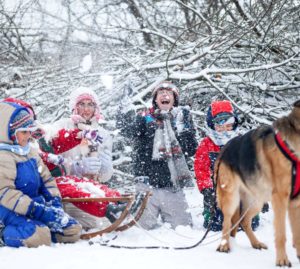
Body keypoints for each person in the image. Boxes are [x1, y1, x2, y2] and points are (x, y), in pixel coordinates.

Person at [3, 95, 141, 230]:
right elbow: (40, 156)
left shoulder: (37, 136)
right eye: (82, 104)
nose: (86, 109)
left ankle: (117, 200)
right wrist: (59, 160)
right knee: (71, 188)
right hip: (41, 187)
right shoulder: (13, 149)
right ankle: (108, 209)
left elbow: (57, 140)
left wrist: (79, 135)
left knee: (82, 183)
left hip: (51, 180)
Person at [117, 81, 198, 230]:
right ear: (155, 99)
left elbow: (191, 149)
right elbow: (126, 129)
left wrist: (184, 129)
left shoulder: (180, 119)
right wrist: (124, 107)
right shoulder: (145, 118)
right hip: (146, 185)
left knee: (184, 229)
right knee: (138, 231)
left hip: (172, 185)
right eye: (161, 92)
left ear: (175, 99)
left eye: (169, 93)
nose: (165, 95)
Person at [0, 101, 81, 247]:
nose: (29, 136)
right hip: (10, 212)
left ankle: (44, 230)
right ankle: (4, 234)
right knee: (39, 236)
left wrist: (54, 203)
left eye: (30, 131)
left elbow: (47, 179)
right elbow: (5, 192)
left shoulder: (29, 151)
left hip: (36, 206)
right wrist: (37, 210)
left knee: (72, 230)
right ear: (11, 134)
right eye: (24, 131)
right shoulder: (4, 156)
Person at [194, 100, 260, 231]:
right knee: (215, 224)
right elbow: (201, 169)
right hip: (217, 192)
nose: (224, 128)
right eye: (220, 125)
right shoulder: (206, 145)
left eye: (228, 125)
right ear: (212, 125)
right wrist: (207, 190)